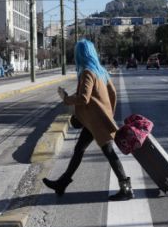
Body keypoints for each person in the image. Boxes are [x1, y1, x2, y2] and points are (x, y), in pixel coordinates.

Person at [43, 39, 133, 201]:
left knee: (109, 152)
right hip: (95, 121)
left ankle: (126, 189)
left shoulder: (87, 72)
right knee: (79, 149)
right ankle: (62, 183)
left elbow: (84, 98)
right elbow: (113, 93)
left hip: (96, 122)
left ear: (80, 55)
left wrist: (66, 99)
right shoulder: (101, 71)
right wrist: (109, 113)